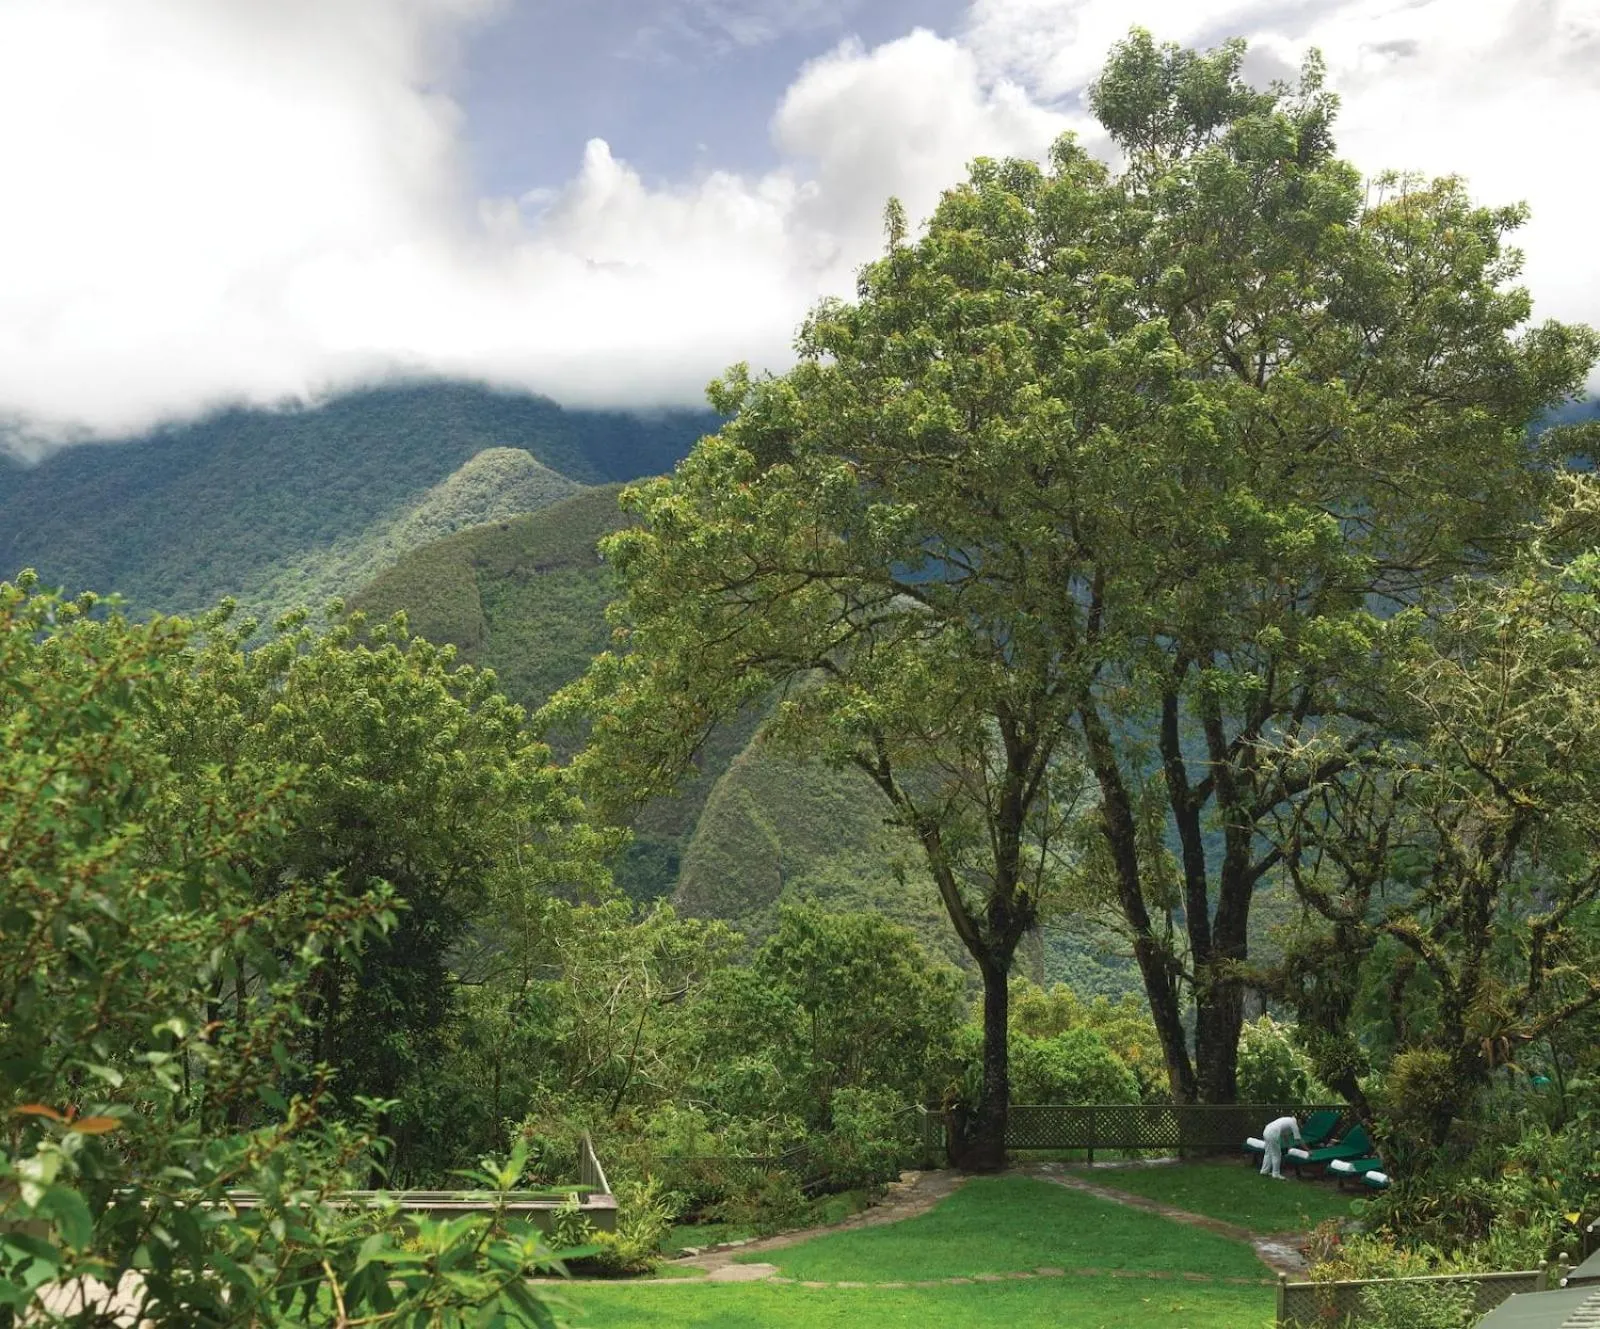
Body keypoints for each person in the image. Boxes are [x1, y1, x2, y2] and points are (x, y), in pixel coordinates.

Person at [1259, 1115, 1303, 1180]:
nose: (1300, 1126)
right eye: (1301, 1124)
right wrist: (1307, 1150)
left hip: (1266, 1131)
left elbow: (1285, 1136)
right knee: (1277, 1154)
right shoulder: (1293, 1124)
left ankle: (1264, 1171)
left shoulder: (1287, 1120)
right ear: (1299, 1121)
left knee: (1268, 1153)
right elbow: (1299, 1139)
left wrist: (1289, 1147)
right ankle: (1276, 1174)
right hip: (1273, 1133)